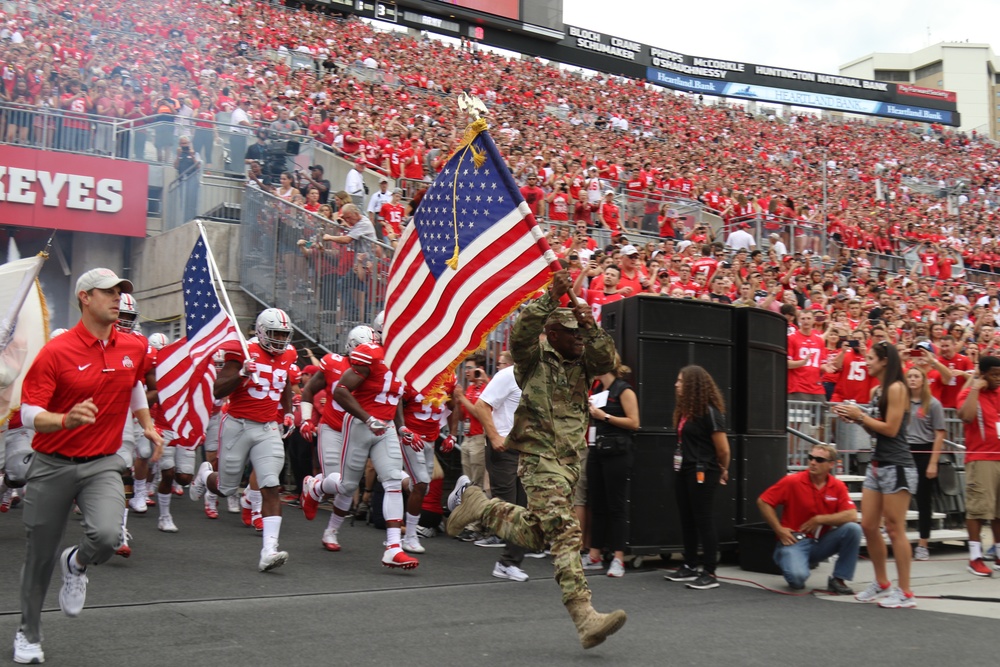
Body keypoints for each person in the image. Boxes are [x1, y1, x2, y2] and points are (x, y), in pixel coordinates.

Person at [445, 270, 627, 650]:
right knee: (565, 531)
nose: (578, 339)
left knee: (541, 532)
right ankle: (584, 615)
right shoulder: (533, 361)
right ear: (554, 335)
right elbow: (521, 335)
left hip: (569, 462)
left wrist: (588, 322)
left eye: (580, 334)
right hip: (538, 458)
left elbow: (608, 356)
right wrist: (551, 297)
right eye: (572, 333)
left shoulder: (585, 363)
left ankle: (481, 506)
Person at [15, 268, 164, 664]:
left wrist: (146, 424)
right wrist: (65, 419)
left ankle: (77, 562)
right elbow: (29, 414)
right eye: (108, 292)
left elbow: (133, 383)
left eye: (120, 291)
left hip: (101, 464)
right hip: (51, 463)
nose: (118, 298)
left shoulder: (132, 346)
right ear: (85, 297)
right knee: (39, 557)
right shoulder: (56, 351)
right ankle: (28, 634)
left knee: (107, 537)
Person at [300, 325, 419, 570]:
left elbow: (393, 397)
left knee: (393, 481)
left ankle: (393, 548)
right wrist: (367, 418)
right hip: (357, 425)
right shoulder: (369, 355)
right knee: (346, 486)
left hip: (384, 428)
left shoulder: (402, 360)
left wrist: (402, 427)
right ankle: (315, 486)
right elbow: (341, 391)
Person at [189, 308, 296, 572]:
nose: (279, 339)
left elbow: (283, 384)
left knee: (271, 485)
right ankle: (205, 476)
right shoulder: (242, 352)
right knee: (225, 488)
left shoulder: (289, 354)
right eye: (274, 333)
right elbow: (218, 389)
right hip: (237, 424)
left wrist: (290, 412)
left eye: (283, 334)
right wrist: (242, 374)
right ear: (260, 332)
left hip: (267, 427)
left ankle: (269, 550)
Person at [832, 341, 917, 608]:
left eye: (870, 358)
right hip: (879, 462)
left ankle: (905, 592)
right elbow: (876, 430)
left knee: (894, 528)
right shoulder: (879, 389)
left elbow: (891, 429)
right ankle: (882, 583)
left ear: (884, 361)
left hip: (897, 465)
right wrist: (856, 418)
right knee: (868, 525)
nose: (865, 362)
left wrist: (860, 417)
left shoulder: (896, 387)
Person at [757, 444, 861, 594]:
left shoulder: (837, 486)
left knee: (853, 529)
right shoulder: (793, 481)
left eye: (819, 460)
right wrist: (778, 529)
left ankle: (838, 579)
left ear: (831, 465)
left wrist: (820, 519)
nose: (813, 462)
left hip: (821, 542)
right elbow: (763, 501)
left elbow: (852, 515)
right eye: (811, 458)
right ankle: (786, 557)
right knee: (797, 580)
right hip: (795, 541)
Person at [663, 365, 731, 590]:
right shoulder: (685, 412)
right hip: (684, 469)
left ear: (692, 384)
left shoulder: (710, 411)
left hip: (703, 469)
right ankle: (690, 564)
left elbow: (723, 449)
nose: (676, 385)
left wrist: (723, 468)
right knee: (687, 518)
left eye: (681, 381)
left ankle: (710, 571)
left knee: (703, 518)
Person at [472, 351, 530, 581]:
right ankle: (466, 498)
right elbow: (481, 405)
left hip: (528, 452)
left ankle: (508, 563)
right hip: (504, 449)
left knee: (523, 509)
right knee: (509, 508)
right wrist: (495, 437)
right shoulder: (508, 375)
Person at [583, 355, 640, 578]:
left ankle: (618, 557)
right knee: (597, 503)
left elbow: (634, 422)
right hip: (597, 450)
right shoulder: (597, 390)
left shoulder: (624, 390)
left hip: (617, 453)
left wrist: (604, 416)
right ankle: (595, 555)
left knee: (616, 505)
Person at [956, 356, 1000, 577]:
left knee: (998, 511)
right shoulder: (969, 393)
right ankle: (975, 557)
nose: (998, 379)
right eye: (993, 374)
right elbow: (965, 416)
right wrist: (975, 388)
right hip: (981, 458)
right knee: (978, 509)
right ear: (982, 374)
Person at [903, 365, 945, 561]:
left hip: (924, 451)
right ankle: (890, 529)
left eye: (916, 376)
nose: (912, 379)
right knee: (896, 494)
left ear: (923, 380)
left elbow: (939, 433)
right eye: (909, 376)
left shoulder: (933, 404)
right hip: (904, 450)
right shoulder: (901, 402)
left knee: (923, 499)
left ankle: (923, 543)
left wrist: (933, 462)